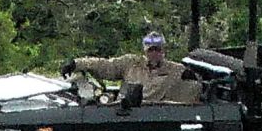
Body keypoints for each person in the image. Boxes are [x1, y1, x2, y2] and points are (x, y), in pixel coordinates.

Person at [63, 31, 199, 104]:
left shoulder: (175, 70)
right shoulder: (131, 63)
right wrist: (76, 63)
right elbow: (104, 66)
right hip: (122, 109)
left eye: (158, 50)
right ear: (145, 51)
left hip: (150, 113)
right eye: (151, 50)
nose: (154, 54)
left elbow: (198, 84)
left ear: (164, 51)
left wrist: (194, 76)